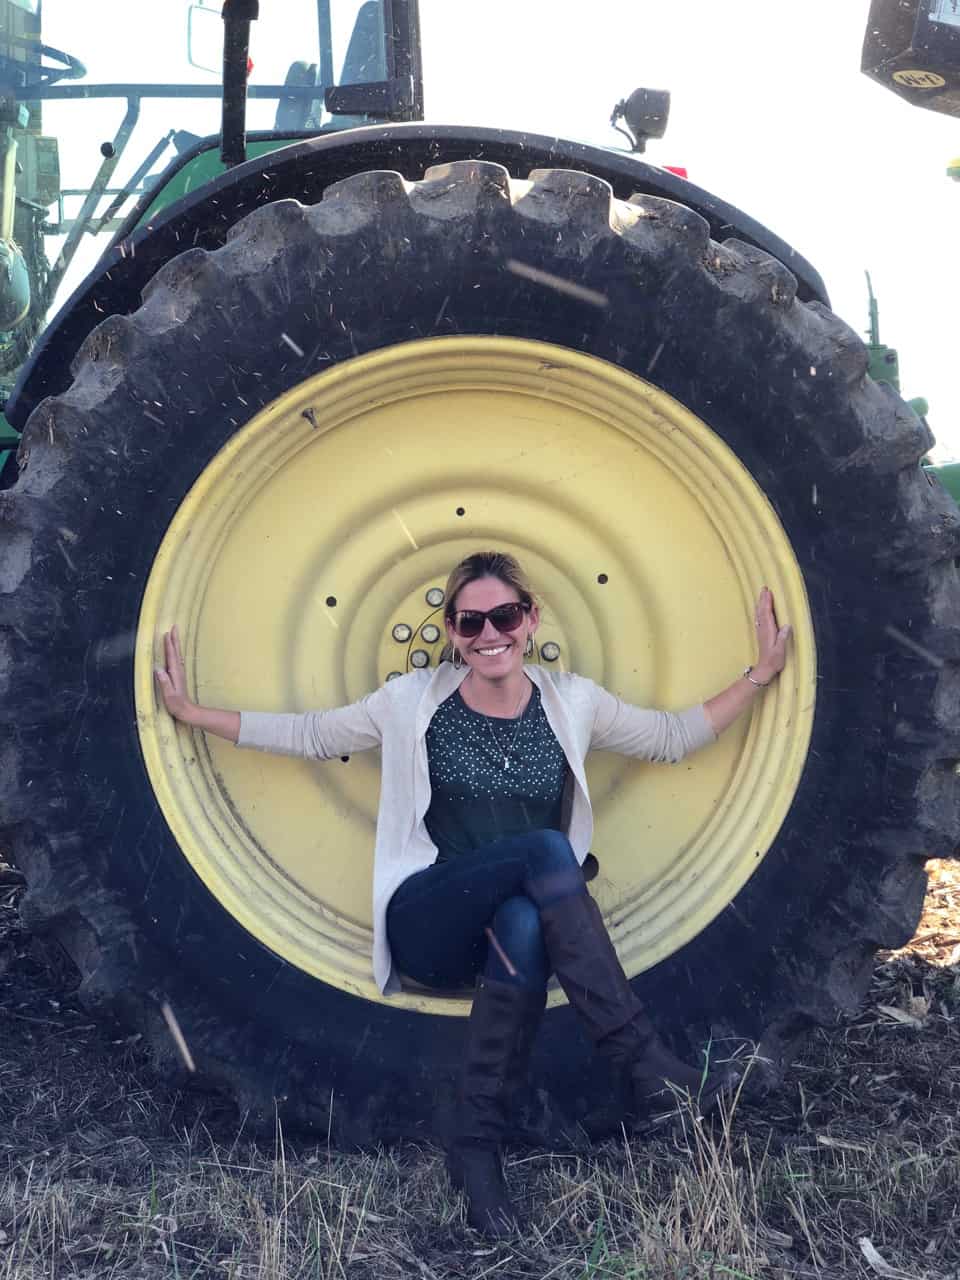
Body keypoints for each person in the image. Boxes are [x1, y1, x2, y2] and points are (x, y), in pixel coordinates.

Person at [155, 549, 790, 1237]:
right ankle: (645, 1063)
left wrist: (761, 674)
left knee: (523, 918)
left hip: (507, 940)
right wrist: (193, 712)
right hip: (429, 919)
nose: (490, 634)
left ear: (531, 618)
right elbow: (311, 734)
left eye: (505, 615)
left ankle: (475, 1151)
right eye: (470, 622)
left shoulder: (571, 701)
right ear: (453, 633)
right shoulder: (410, 703)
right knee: (548, 853)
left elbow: (670, 737)